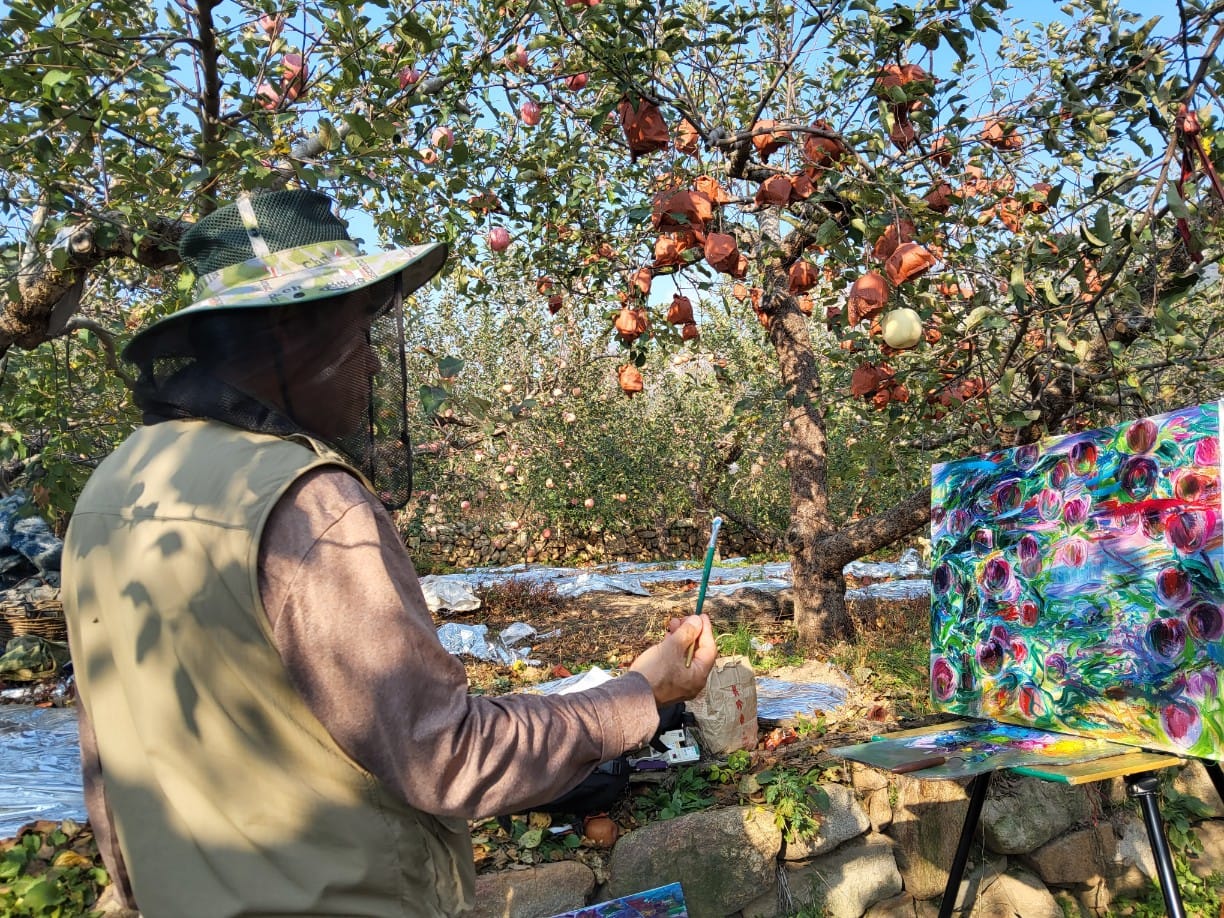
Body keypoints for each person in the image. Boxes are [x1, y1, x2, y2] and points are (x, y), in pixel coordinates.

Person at [61, 187, 718, 918]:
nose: (373, 365)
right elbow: (447, 755)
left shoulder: (113, 488)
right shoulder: (307, 502)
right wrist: (638, 694)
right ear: (289, 333)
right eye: (357, 332)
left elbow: (106, 769)